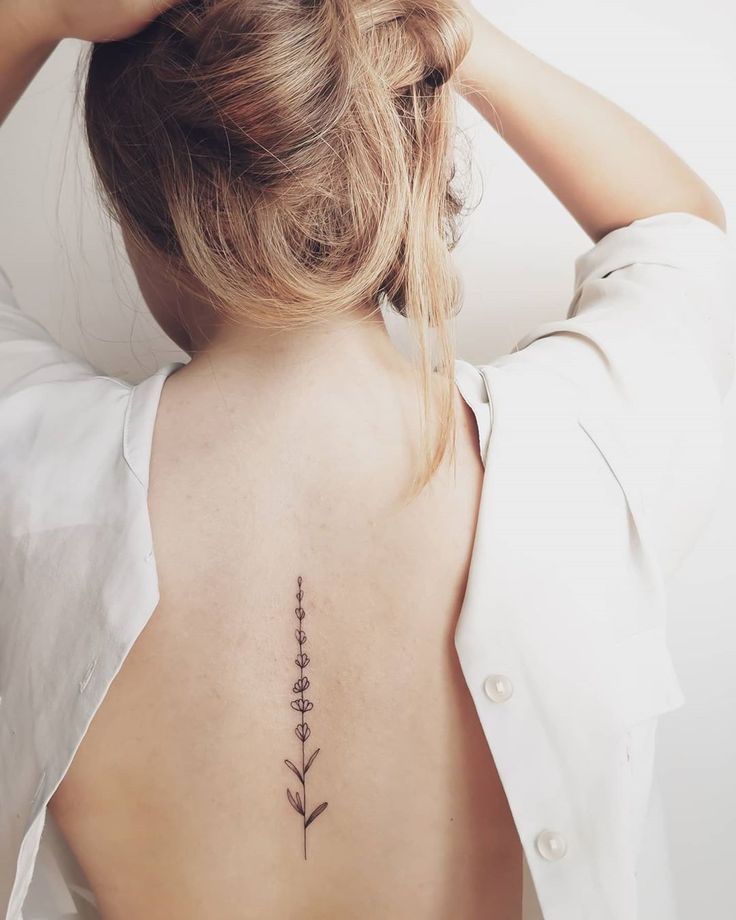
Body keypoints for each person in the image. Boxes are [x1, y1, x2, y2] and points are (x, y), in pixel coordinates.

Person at [1, 1, 733, 918]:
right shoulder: (578, 455)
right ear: (415, 166)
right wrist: (456, 33)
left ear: (138, 213)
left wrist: (36, 14)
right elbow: (676, 230)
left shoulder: (30, 480)